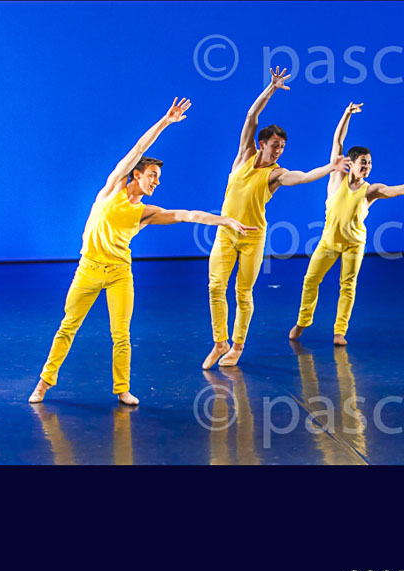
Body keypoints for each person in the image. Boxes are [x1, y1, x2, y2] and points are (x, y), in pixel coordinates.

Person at [28, 98, 255, 406]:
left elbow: (186, 215)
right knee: (67, 327)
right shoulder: (112, 189)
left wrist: (224, 220)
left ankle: (122, 389)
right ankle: (44, 384)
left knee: (121, 334)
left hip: (120, 274)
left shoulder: (146, 212)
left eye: (158, 178)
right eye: (153, 175)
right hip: (88, 270)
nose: (157, 181)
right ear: (137, 175)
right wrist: (165, 122)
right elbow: (138, 149)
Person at [202, 67, 348, 369]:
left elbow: (303, 177)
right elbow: (251, 117)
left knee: (243, 292)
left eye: (282, 147)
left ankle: (237, 346)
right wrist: (271, 88)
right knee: (216, 287)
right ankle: (219, 343)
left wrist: (330, 167)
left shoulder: (276, 174)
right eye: (275, 145)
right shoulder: (243, 156)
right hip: (225, 232)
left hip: (252, 237)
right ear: (262, 143)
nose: (279, 150)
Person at [288, 102, 404, 345]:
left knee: (348, 286)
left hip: (354, 244)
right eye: (363, 163)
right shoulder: (336, 178)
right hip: (328, 242)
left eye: (369, 163)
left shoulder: (371, 191)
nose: (367, 167)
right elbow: (338, 141)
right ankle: (303, 322)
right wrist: (346, 114)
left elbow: (403, 189)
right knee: (310, 280)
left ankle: (339, 331)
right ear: (351, 163)